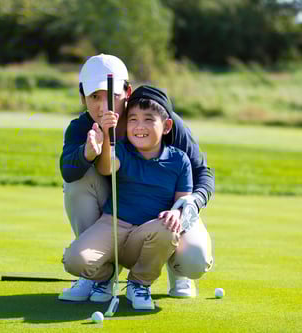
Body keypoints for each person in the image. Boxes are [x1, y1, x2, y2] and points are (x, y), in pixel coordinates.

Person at [59, 54, 214, 301]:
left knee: (194, 261)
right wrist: (87, 153)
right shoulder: (81, 128)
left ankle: (177, 272)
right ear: (83, 98)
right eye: (94, 97)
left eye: (112, 96)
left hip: (165, 217)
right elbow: (68, 170)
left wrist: (188, 205)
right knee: (77, 179)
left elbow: (202, 173)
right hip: (116, 218)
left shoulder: (161, 119)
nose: (103, 106)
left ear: (127, 91)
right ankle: (99, 274)